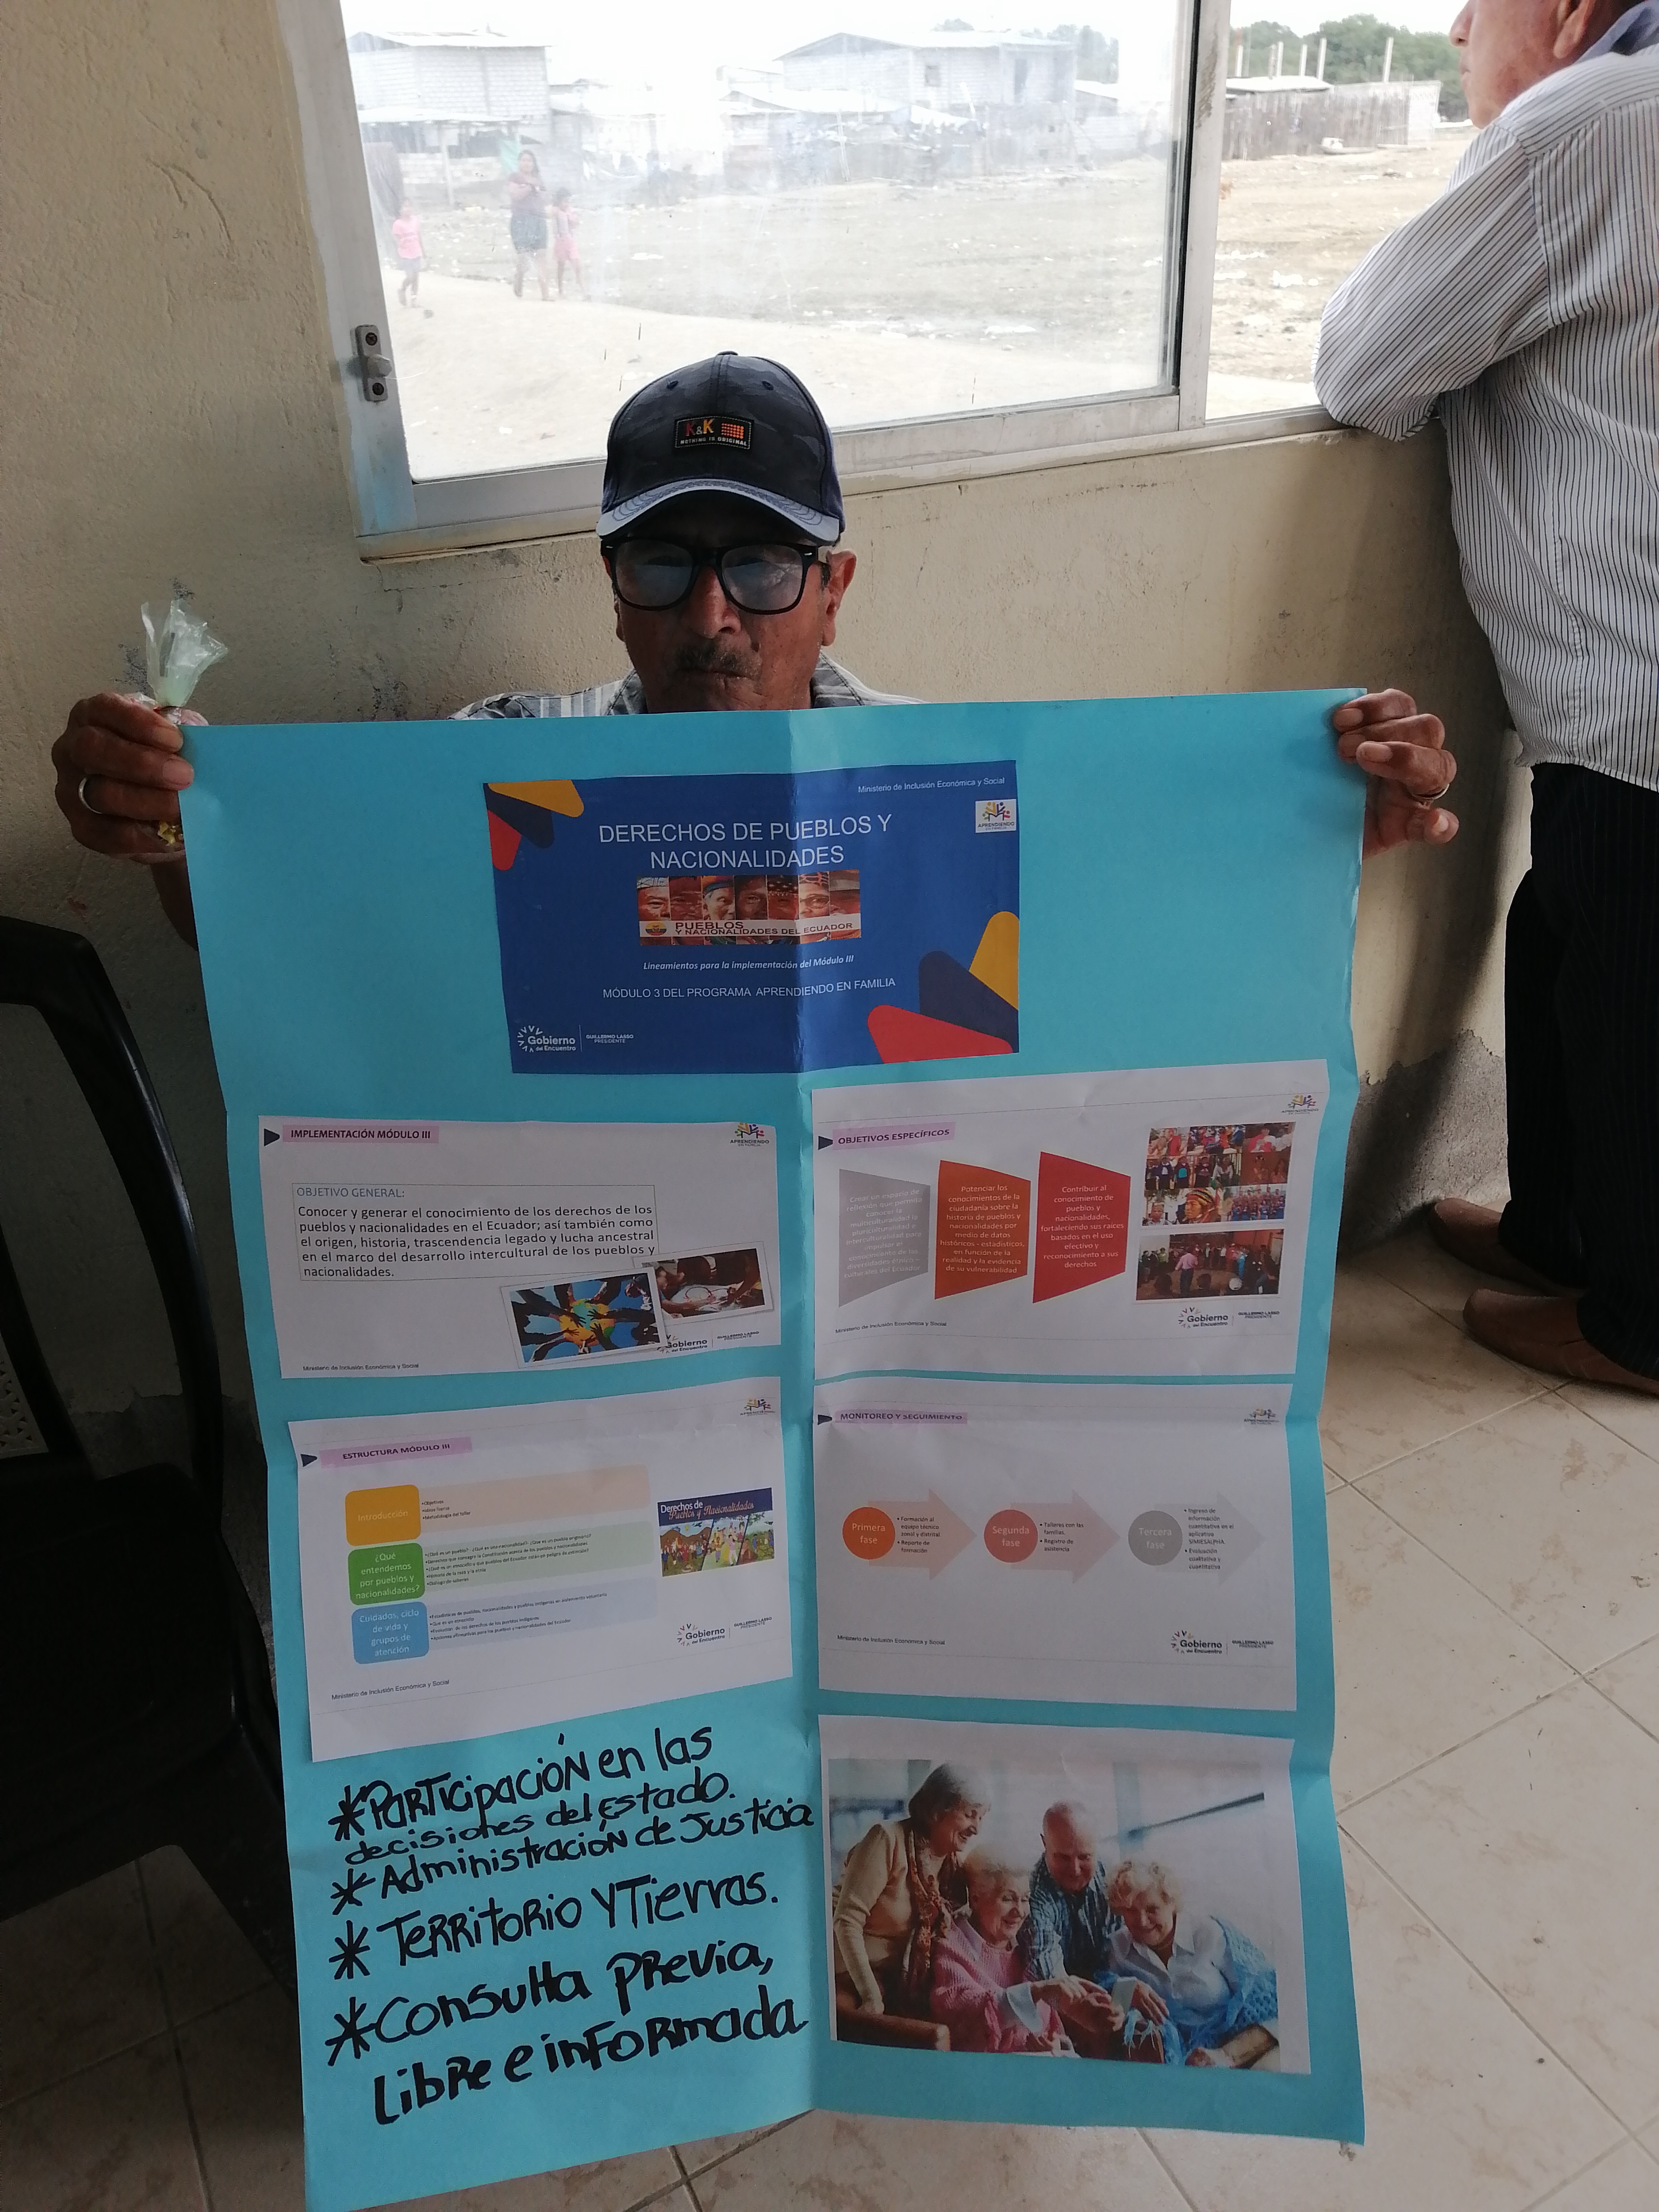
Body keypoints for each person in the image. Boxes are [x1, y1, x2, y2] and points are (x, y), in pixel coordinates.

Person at [50, 349, 1456, 950]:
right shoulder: (496, 765)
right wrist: (176, 823)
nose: (710, 617)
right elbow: (287, 922)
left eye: (762, 567)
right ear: (613, 592)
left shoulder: (945, 783)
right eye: (664, 562)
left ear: (831, 592)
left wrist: (1312, 829)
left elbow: (1129, 913)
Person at [1315, 1, 1659, 1395]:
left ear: (1568, 10)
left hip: (1635, 684)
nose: (1456, 25)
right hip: (1615, 693)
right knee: (1565, 933)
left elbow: (1363, 369)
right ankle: (1559, 1233)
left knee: (1623, 983)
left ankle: (1636, 1320)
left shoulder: (1583, 127)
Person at [832, 1763, 985, 2018]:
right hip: (849, 1975)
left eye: (982, 1818)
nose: (977, 1828)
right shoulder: (887, 1839)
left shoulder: (955, 1870)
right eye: (970, 1815)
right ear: (938, 1810)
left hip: (898, 1985)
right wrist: (871, 1996)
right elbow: (846, 1922)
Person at [1017, 1802, 1164, 2058]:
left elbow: (1135, 1945)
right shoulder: (1032, 1895)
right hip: (1063, 2000)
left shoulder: (1113, 1879)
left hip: (1114, 1983)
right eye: (1063, 1858)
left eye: (1085, 1857)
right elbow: (1051, 1977)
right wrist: (1092, 2010)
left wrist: (1124, 1993)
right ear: (1044, 1843)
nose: (1075, 1870)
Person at [1102, 1858, 1278, 2068]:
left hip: (1238, 2041)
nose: (1142, 1921)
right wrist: (1129, 1989)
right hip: (1178, 2054)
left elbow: (1262, 1996)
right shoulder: (1119, 1947)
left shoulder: (1209, 1934)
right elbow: (1112, 2002)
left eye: (1152, 1909)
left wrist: (1226, 2055)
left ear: (1171, 1904)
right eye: (1131, 1910)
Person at [928, 1844, 1071, 2054]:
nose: (1020, 1911)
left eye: (1025, 1899)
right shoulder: (952, 1948)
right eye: (1008, 1899)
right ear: (976, 1899)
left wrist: (1056, 2045)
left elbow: (1054, 2030)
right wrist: (1036, 1992)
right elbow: (966, 2015)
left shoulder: (1027, 1948)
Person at [507, 149, 550, 300]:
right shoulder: (515, 178)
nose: (527, 163)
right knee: (524, 259)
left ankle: (546, 294)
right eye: (524, 160)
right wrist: (529, 187)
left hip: (538, 220)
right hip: (521, 221)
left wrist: (538, 190)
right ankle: (519, 276)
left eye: (530, 161)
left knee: (541, 255)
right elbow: (515, 195)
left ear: (534, 163)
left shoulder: (539, 179)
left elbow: (546, 197)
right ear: (519, 163)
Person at [551, 188, 586, 299]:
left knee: (577, 265)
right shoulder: (556, 212)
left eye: (568, 201)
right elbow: (555, 228)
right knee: (561, 267)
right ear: (558, 201)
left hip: (570, 241)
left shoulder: (570, 211)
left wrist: (572, 219)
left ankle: (584, 290)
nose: (566, 204)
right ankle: (561, 290)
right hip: (561, 242)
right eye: (564, 201)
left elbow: (575, 224)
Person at [391, 199, 424, 310]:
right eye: (405, 207)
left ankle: (414, 300)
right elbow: (396, 240)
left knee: (416, 278)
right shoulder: (398, 224)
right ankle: (402, 290)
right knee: (410, 277)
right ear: (400, 210)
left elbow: (419, 236)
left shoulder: (415, 220)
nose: (408, 209)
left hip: (416, 252)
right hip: (406, 254)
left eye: (410, 206)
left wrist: (423, 251)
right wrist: (399, 251)